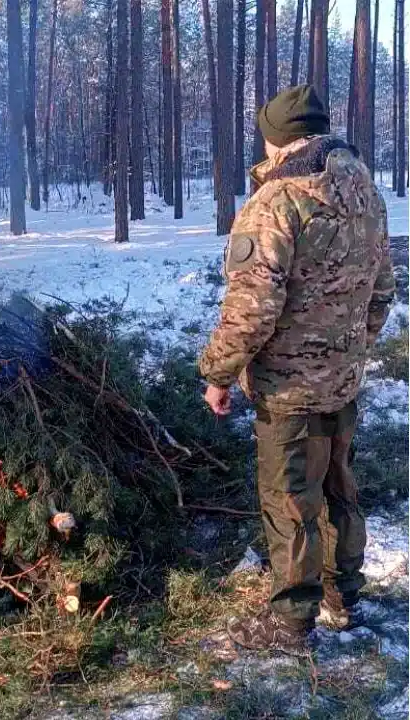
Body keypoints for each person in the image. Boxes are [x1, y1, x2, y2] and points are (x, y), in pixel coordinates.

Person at [198, 84, 395, 650]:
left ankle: (292, 623)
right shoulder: (367, 197)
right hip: (342, 382)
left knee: (291, 503)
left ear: (276, 137)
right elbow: (382, 292)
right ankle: (345, 597)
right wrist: (349, 350)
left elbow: (251, 309)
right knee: (339, 489)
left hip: (288, 388)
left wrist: (216, 374)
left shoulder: (276, 204)